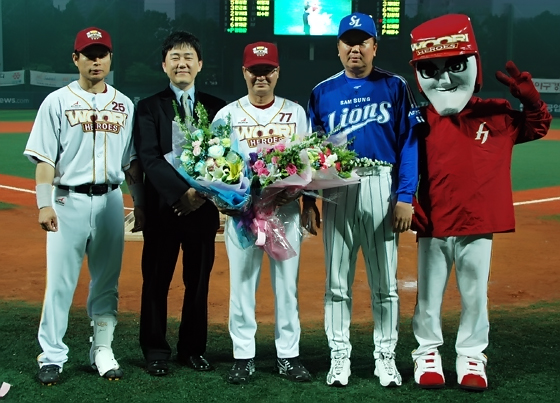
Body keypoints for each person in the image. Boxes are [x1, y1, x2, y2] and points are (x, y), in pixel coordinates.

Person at [409, 14, 551, 391]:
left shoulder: (497, 113)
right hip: (433, 221)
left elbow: (537, 127)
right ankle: (427, 353)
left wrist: (532, 100)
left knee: (474, 295)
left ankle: (471, 355)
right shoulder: (421, 119)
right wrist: (407, 200)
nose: (444, 78)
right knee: (429, 295)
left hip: (478, 222)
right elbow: (404, 166)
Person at [303, 12, 422, 387]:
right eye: (348, 41)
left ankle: (385, 357)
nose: (355, 48)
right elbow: (310, 153)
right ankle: (339, 357)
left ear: (374, 46)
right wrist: (309, 199)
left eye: (362, 41)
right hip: (337, 189)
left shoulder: (395, 86)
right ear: (338, 47)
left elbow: (410, 144)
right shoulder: (321, 92)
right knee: (336, 283)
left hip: (381, 187)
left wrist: (405, 196)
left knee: (385, 283)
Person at [23, 26, 144, 385]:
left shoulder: (124, 105)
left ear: (110, 58)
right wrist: (44, 204)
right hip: (67, 201)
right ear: (75, 59)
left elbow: (131, 163)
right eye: (89, 54)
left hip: (110, 200)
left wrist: (139, 203)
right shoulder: (56, 102)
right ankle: (52, 355)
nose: (96, 60)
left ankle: (102, 350)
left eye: (102, 54)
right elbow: (45, 159)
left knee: (107, 282)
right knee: (60, 283)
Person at [212, 41, 312, 385]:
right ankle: (243, 356)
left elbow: (307, 164)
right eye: (254, 71)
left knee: (287, 286)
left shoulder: (295, 113)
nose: (261, 77)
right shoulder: (226, 115)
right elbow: (213, 166)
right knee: (241, 285)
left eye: (267, 70)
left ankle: (288, 355)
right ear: (244, 72)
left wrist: (298, 195)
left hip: (284, 211)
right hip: (243, 214)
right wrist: (222, 198)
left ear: (277, 72)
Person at [133, 31, 226, 377]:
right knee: (156, 281)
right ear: (164, 65)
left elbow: (225, 158)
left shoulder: (217, 108)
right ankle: (155, 350)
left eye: (188, 57)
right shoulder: (148, 107)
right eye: (174, 57)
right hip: (163, 210)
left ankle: (193, 349)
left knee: (198, 283)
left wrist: (199, 195)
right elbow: (149, 157)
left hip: (202, 210)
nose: (181, 63)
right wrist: (180, 194)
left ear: (200, 64)